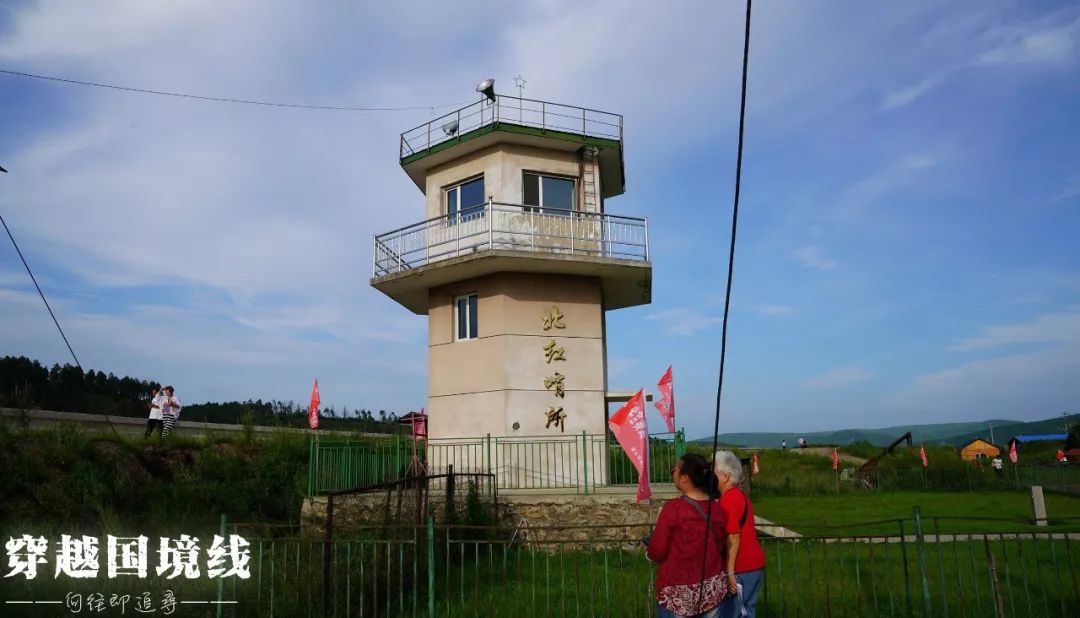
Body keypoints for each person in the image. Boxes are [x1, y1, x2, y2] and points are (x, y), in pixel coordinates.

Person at [645, 454, 727, 618]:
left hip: (677, 594)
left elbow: (658, 550)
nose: (672, 473)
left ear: (684, 478)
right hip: (712, 590)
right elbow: (721, 545)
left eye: (673, 470)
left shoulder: (673, 508)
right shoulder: (716, 508)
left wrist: (649, 552)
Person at [715, 450, 765, 618]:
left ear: (724, 476)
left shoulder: (728, 499)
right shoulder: (740, 495)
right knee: (747, 611)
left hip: (742, 566)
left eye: (714, 471)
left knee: (734, 613)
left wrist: (729, 572)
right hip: (754, 563)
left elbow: (734, 535)